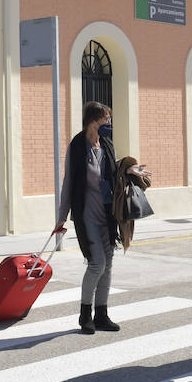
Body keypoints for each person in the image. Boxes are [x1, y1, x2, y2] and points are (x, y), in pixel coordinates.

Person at [56, 102, 123, 335]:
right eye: (106, 119)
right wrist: (61, 217)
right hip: (87, 216)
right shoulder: (77, 147)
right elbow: (69, 183)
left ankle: (101, 315)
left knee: (108, 264)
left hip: (108, 215)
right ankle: (85, 315)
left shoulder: (106, 144)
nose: (109, 123)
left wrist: (131, 170)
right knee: (97, 263)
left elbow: (115, 171)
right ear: (93, 121)